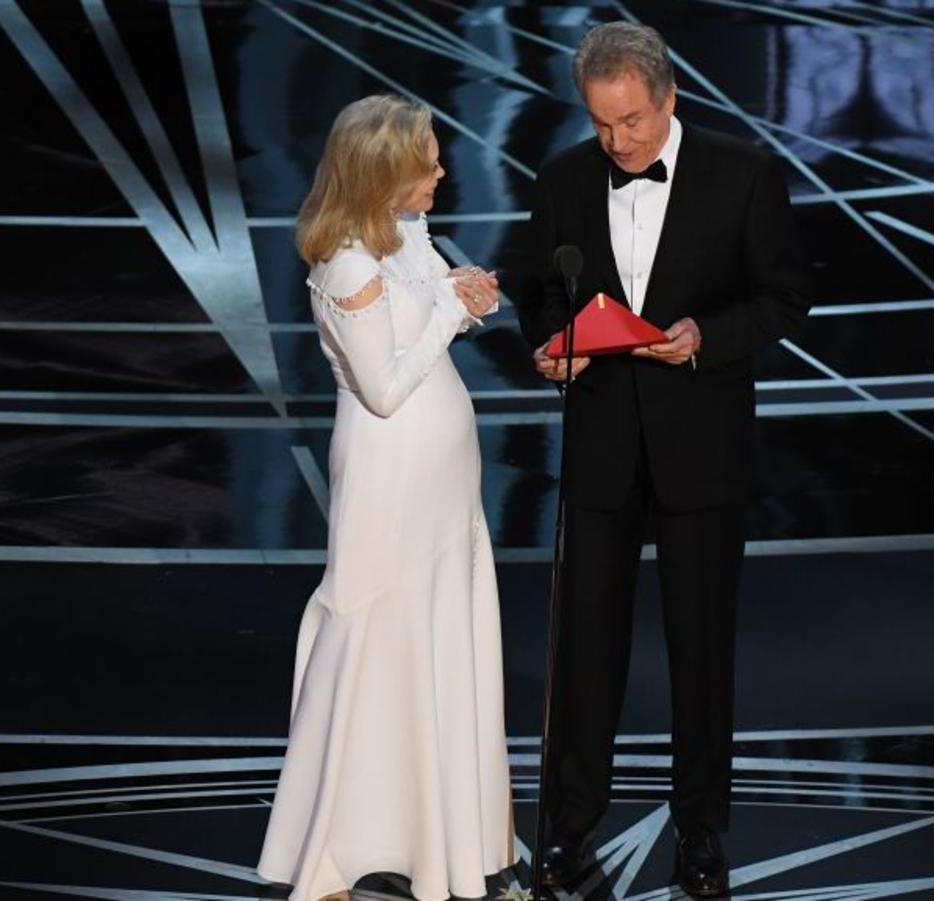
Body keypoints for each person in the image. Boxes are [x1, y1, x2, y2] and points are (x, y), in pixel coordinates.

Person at [515, 22, 810, 898]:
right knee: (585, 651)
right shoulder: (565, 178)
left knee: (700, 650)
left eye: (633, 122)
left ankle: (701, 836)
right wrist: (551, 345)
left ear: (669, 95)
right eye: (603, 125)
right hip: (602, 448)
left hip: (703, 449)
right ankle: (569, 831)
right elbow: (541, 292)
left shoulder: (743, 172)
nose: (619, 142)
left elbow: (784, 295)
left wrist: (706, 337)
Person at [256, 94, 515, 901]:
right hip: (390, 476)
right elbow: (384, 386)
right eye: (428, 160)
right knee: (374, 634)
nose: (442, 169)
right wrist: (450, 309)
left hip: (442, 483)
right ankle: (332, 848)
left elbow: (433, 307)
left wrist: (462, 292)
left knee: (436, 638)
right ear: (384, 172)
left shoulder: (403, 232)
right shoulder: (345, 263)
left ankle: (443, 840)